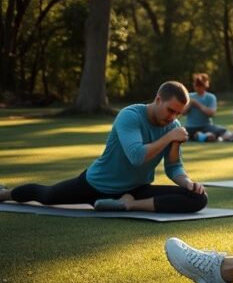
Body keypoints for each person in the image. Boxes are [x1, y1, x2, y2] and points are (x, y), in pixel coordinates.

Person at [0, 81, 207, 213]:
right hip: (97, 185)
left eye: (178, 114)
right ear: (158, 99)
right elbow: (136, 156)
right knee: (47, 196)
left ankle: (128, 204)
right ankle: (5, 194)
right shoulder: (130, 116)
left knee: (198, 199)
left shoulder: (173, 127)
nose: (173, 118)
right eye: (170, 110)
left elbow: (173, 167)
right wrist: (170, 136)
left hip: (135, 190)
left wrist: (188, 183)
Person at [184, 73, 233, 142]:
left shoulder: (210, 97)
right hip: (191, 127)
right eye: (196, 86)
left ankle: (205, 136)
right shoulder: (189, 96)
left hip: (206, 126)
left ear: (205, 86)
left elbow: (211, 113)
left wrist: (197, 104)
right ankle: (204, 136)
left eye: (200, 86)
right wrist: (189, 104)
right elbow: (182, 112)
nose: (198, 88)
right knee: (184, 133)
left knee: (223, 130)